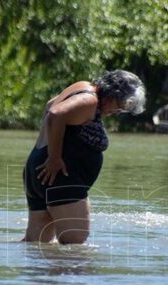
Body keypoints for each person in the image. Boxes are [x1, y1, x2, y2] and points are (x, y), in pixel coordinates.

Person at [22, 70, 146, 244]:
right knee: (75, 242)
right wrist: (54, 158)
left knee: (36, 244)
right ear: (113, 94)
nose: (117, 111)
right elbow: (56, 114)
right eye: (119, 106)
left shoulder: (81, 86)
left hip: (37, 170)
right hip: (59, 177)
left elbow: (51, 105)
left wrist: (47, 154)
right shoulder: (89, 100)